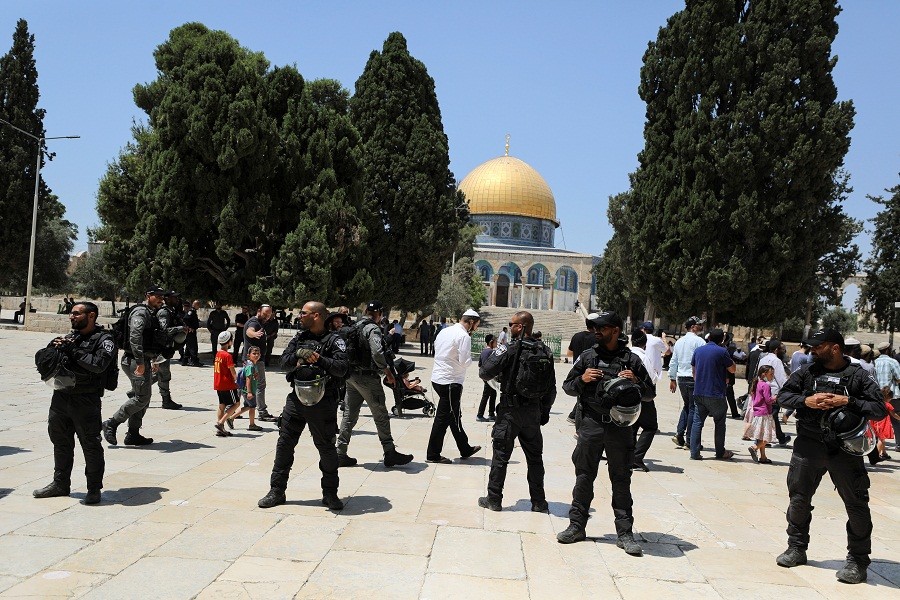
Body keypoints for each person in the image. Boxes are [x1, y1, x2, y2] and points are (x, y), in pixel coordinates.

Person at [775, 328, 886, 584]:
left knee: (857, 506)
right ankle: (796, 548)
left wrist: (847, 402)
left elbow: (879, 409)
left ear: (834, 348)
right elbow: (782, 396)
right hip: (808, 446)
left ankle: (857, 561)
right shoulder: (807, 372)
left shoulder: (858, 376)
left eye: (817, 346)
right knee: (799, 500)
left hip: (845, 450)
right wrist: (807, 401)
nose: (812, 351)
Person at [557, 311, 654, 554]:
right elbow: (568, 387)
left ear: (615, 331)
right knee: (584, 476)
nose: (596, 331)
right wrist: (583, 379)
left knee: (621, 479)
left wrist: (636, 381)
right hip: (591, 425)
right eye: (594, 328)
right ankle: (576, 526)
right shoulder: (588, 357)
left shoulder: (631, 361)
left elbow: (650, 393)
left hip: (620, 429)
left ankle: (625, 533)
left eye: (601, 327)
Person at [258, 301, 349, 511]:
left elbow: (342, 368)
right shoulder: (300, 337)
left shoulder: (334, 340)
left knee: (326, 448)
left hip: (323, 402)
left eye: (303, 313)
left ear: (316, 316)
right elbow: (283, 362)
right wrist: (299, 355)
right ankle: (276, 491)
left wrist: (320, 360)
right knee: (284, 445)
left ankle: (330, 493)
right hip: (296, 399)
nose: (299, 316)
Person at [33, 302, 116, 505]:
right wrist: (51, 350)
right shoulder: (71, 337)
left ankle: (94, 488)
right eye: (71, 314)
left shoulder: (105, 340)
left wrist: (73, 351)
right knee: (60, 441)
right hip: (61, 396)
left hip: (86, 400)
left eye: (77, 314)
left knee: (90, 444)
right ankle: (60, 483)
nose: (72, 317)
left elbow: (98, 365)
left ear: (91, 316)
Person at [478, 310, 555, 514]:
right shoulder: (545, 351)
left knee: (501, 456)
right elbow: (551, 388)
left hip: (510, 412)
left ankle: (494, 499)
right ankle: (539, 502)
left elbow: (485, 372)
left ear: (520, 327)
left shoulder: (509, 349)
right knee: (535, 458)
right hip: (533, 413)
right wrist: (544, 412)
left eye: (512, 324)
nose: (510, 327)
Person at [336, 301, 413, 468]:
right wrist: (387, 371)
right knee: (381, 415)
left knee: (349, 416)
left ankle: (340, 452)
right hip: (368, 378)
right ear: (378, 314)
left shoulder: (356, 325)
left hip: (352, 376)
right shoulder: (372, 328)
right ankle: (389, 452)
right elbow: (377, 352)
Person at [102, 287, 169, 447]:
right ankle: (111, 422)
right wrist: (140, 362)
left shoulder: (151, 313)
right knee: (142, 398)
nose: (160, 299)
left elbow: (150, 339)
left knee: (143, 398)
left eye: (162, 296)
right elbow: (135, 336)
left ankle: (133, 434)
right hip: (134, 360)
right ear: (148, 296)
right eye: (157, 296)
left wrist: (153, 360)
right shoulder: (141, 312)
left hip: (143, 359)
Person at [426, 309, 482, 464]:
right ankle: (433, 454)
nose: (476, 329)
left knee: (454, 416)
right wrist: (472, 360)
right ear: (470, 322)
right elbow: (465, 362)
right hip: (451, 382)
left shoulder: (445, 331)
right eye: (476, 325)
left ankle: (465, 448)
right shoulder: (464, 336)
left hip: (438, 379)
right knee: (442, 419)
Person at [689, 328, 736, 460]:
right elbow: (732, 369)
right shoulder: (722, 351)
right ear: (722, 339)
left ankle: (694, 452)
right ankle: (720, 451)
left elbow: (694, 370)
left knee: (697, 422)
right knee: (720, 422)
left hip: (699, 391)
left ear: (708, 337)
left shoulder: (698, 350)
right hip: (715, 393)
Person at [668, 316, 706, 448]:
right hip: (693, 378)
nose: (701, 327)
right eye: (699, 325)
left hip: (681, 378)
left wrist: (672, 378)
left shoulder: (679, 342)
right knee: (693, 408)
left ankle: (679, 434)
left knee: (687, 406)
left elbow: (674, 361)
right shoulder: (700, 342)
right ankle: (690, 440)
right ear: (693, 327)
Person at [629, 329, 660, 472]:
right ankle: (637, 457)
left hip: (626, 395)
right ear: (645, 344)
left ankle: (628, 455)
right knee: (650, 427)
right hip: (642, 396)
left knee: (632, 425)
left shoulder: (626, 354)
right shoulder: (643, 357)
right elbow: (652, 378)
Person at [243, 305, 277, 421]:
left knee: (249, 384)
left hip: (252, 360)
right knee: (260, 385)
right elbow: (249, 331)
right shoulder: (254, 323)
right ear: (259, 311)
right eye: (265, 314)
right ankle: (262, 411)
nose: (267, 317)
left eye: (269, 315)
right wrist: (254, 334)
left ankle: (242, 408)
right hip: (255, 361)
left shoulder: (259, 322)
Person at [155, 290, 187, 410]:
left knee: (158, 373)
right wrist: (179, 328)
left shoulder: (171, 311)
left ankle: (135, 391)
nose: (177, 300)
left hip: (167, 347)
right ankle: (166, 400)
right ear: (167, 299)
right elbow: (164, 330)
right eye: (174, 298)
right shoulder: (164, 312)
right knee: (163, 374)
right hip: (161, 348)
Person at [565, 315, 599, 423]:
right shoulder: (598, 338)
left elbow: (569, 353)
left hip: (577, 368)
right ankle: (576, 418)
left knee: (580, 392)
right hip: (591, 370)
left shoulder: (577, 336)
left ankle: (573, 416)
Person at [758, 339, 792, 446]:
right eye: (782, 349)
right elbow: (781, 379)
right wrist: (789, 390)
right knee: (772, 416)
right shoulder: (776, 361)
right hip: (773, 393)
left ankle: (780, 437)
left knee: (772, 416)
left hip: (763, 390)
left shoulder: (763, 359)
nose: (783, 351)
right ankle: (762, 440)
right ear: (777, 350)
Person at [745, 365, 777, 464]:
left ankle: (763, 457)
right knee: (769, 436)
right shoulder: (766, 385)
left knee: (762, 436)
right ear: (764, 374)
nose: (772, 376)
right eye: (771, 374)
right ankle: (754, 447)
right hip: (765, 413)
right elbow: (768, 400)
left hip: (758, 413)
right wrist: (775, 397)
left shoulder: (757, 383)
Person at [229, 346, 263, 431]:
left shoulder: (252, 365)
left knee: (248, 406)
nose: (256, 355)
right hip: (248, 390)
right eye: (254, 353)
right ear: (249, 355)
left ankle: (231, 418)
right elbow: (248, 379)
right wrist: (249, 392)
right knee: (252, 407)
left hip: (248, 390)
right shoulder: (250, 366)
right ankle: (252, 424)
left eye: (258, 353)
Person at [873, 341, 900, 450]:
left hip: (877, 395)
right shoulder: (892, 362)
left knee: (876, 420)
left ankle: (876, 443)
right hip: (891, 395)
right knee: (896, 419)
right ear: (888, 350)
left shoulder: (874, 362)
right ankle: (899, 444)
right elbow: (899, 378)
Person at [213, 331, 239, 437]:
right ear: (229, 342)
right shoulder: (227, 355)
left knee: (222, 405)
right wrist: (237, 380)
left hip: (218, 384)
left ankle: (221, 429)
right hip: (227, 384)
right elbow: (232, 371)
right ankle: (221, 423)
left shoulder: (218, 353)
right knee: (236, 403)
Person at [477, 334, 498, 421]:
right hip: (489, 377)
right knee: (486, 395)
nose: (497, 343)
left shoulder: (484, 351)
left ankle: (491, 414)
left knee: (493, 394)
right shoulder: (491, 352)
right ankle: (480, 415)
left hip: (485, 376)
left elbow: (479, 364)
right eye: (496, 341)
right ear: (491, 342)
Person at [180, 300, 202, 367]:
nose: (199, 306)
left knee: (189, 346)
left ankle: (185, 360)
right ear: (195, 305)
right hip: (190, 332)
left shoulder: (193, 311)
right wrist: (189, 327)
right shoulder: (191, 311)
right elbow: (186, 319)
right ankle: (194, 361)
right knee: (193, 347)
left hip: (191, 332)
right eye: (198, 305)